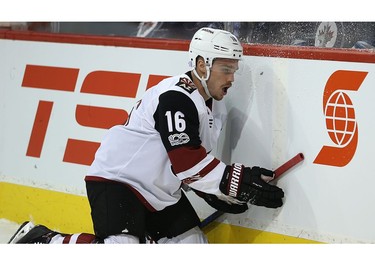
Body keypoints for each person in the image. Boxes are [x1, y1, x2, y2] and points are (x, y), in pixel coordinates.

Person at [8, 27, 284, 244]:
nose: (232, 79)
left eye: (234, 70)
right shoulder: (177, 98)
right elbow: (186, 161)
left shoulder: (215, 107)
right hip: (119, 180)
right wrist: (234, 180)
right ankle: (44, 240)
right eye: (226, 69)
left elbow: (193, 165)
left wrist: (215, 192)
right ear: (202, 65)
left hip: (160, 192)